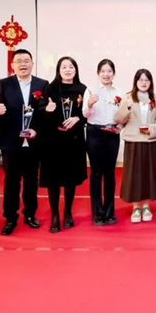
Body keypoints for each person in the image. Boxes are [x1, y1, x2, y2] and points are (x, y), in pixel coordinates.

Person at [0, 49, 49, 235]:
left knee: (32, 180)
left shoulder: (42, 84)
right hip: (11, 140)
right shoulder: (4, 84)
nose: (23, 64)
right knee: (11, 181)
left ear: (32, 63)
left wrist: (37, 130)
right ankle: (10, 217)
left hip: (33, 141)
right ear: (12, 65)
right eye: (18, 61)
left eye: (26, 60)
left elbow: (44, 112)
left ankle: (30, 214)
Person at [41, 57, 88, 233]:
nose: (68, 70)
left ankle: (68, 212)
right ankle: (54, 215)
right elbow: (40, 109)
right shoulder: (50, 88)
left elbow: (88, 113)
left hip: (73, 141)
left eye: (71, 67)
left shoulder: (83, 89)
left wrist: (78, 118)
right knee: (53, 180)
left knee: (70, 179)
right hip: (53, 140)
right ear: (58, 70)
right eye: (64, 67)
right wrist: (46, 109)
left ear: (76, 70)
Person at [115, 69, 156, 223]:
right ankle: (135, 207)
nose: (143, 83)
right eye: (140, 80)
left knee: (148, 175)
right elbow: (119, 119)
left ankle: (146, 206)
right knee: (133, 175)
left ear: (150, 82)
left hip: (148, 141)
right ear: (135, 82)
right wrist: (127, 107)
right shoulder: (128, 98)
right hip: (133, 141)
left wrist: (151, 129)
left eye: (146, 80)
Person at [82, 59, 122, 226]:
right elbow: (85, 114)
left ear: (114, 73)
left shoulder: (119, 91)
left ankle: (110, 211)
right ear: (98, 73)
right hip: (95, 133)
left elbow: (124, 113)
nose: (106, 74)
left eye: (109, 71)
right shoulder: (90, 90)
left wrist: (120, 127)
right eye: (103, 71)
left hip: (112, 132)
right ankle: (97, 212)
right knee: (96, 173)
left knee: (110, 172)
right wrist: (90, 104)